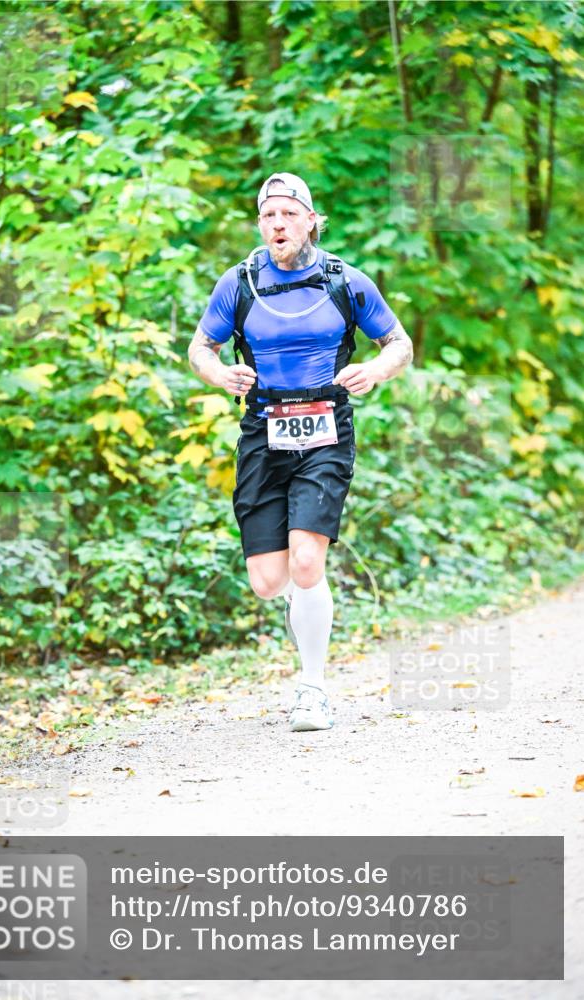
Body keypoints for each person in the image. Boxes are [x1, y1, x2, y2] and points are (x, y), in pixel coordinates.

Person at [188, 172, 413, 732]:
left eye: (290, 213)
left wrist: (375, 369)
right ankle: (311, 592)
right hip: (263, 431)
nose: (278, 224)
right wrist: (219, 374)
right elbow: (200, 347)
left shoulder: (344, 281)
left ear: (311, 220)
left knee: (307, 562)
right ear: (260, 224)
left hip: (326, 428)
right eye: (269, 216)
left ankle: (312, 688)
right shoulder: (239, 284)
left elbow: (399, 343)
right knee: (269, 580)